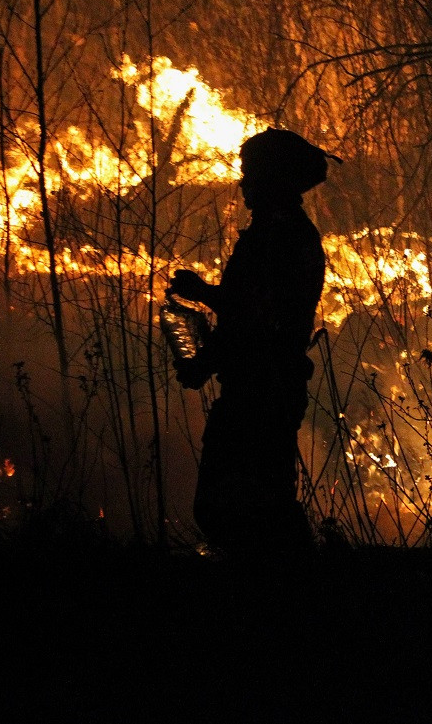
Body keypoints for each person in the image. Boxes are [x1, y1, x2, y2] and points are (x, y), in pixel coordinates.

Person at [170, 128, 337, 559]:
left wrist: (205, 296)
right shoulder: (276, 234)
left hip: (263, 390)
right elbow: (248, 317)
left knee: (247, 510)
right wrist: (208, 354)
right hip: (260, 386)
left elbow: (257, 317)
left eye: (250, 174)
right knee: (252, 507)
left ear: (273, 179)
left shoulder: (282, 238)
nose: (243, 184)